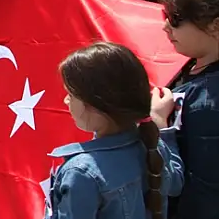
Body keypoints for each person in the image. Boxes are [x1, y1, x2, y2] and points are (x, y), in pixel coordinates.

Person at [47, 42, 183, 218]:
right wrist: (162, 126)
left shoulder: (81, 172)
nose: (66, 101)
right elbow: (176, 182)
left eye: (71, 95)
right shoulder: (152, 145)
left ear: (97, 106)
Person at [158, 0, 219, 218]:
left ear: (215, 25)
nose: (165, 26)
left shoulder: (209, 102)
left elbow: (203, 189)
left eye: (176, 18)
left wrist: (158, 123)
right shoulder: (191, 66)